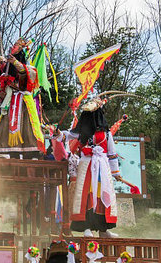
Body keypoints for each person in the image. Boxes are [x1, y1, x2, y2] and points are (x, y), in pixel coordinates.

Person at [53, 97, 121, 238]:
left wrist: (116, 172)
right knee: (86, 195)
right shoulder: (82, 131)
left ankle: (103, 229)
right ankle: (87, 228)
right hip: (86, 164)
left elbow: (112, 153)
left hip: (102, 167)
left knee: (102, 195)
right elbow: (67, 135)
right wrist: (58, 134)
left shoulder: (106, 134)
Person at [0, 38, 45, 158]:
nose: (13, 47)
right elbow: (0, 83)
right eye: (13, 45)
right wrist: (1, 66)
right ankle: (11, 154)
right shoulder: (6, 69)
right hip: (10, 101)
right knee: (6, 126)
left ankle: (30, 154)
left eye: (16, 46)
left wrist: (15, 62)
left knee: (27, 128)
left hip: (23, 101)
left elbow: (25, 73)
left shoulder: (29, 69)